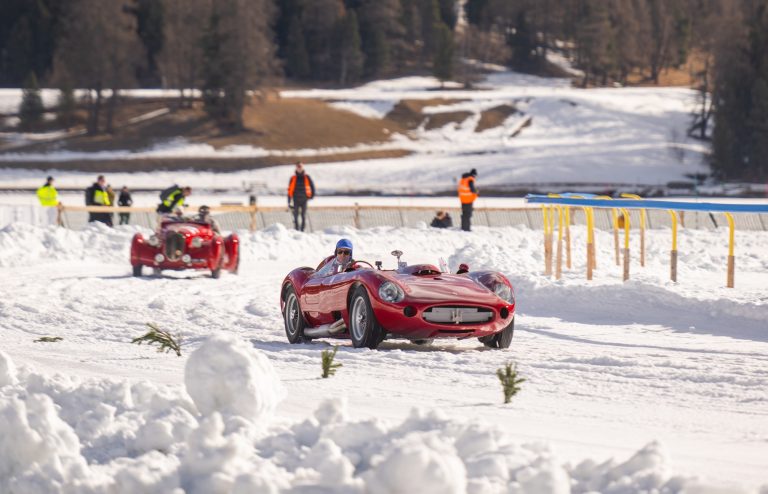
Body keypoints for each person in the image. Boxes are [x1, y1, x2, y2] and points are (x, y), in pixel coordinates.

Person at [287, 161, 315, 232]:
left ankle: (302, 230)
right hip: (295, 200)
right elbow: (289, 190)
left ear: (302, 167)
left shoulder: (307, 177)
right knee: (295, 216)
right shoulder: (293, 178)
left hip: (304, 199)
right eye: (298, 166)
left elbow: (312, 187)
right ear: (296, 168)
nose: (299, 168)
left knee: (303, 216)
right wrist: (289, 201)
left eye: (300, 166)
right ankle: (296, 230)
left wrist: (312, 196)